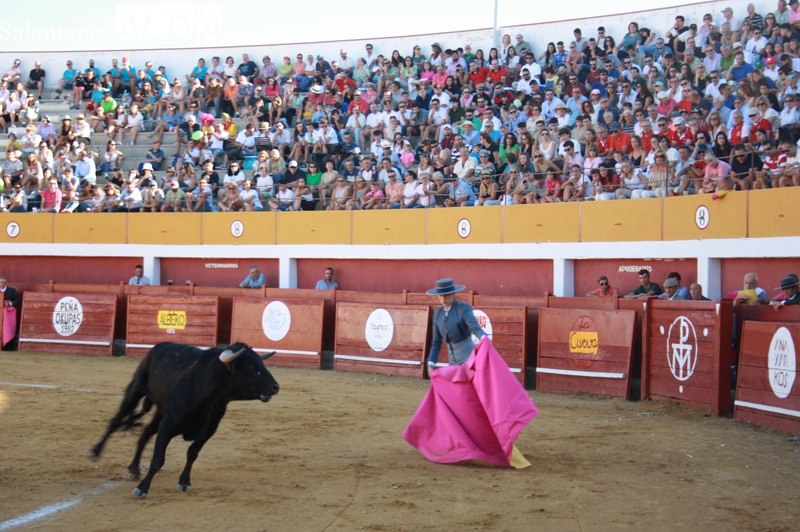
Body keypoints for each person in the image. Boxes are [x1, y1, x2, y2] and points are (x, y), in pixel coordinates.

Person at [426, 278, 486, 371]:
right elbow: (436, 342)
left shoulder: (464, 308)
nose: (443, 298)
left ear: (453, 294)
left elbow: (475, 328)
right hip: (452, 358)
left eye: (446, 295)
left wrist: (483, 338)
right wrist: (431, 362)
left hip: (467, 354)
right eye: (440, 295)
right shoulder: (438, 314)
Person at [0, 275, 20, 350]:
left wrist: (10, 304)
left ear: (6, 283)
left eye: (4, 282)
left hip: (8, 313)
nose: (2, 284)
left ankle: (8, 347)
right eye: (1, 282)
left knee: (8, 328)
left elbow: (18, 299)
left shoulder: (11, 290)